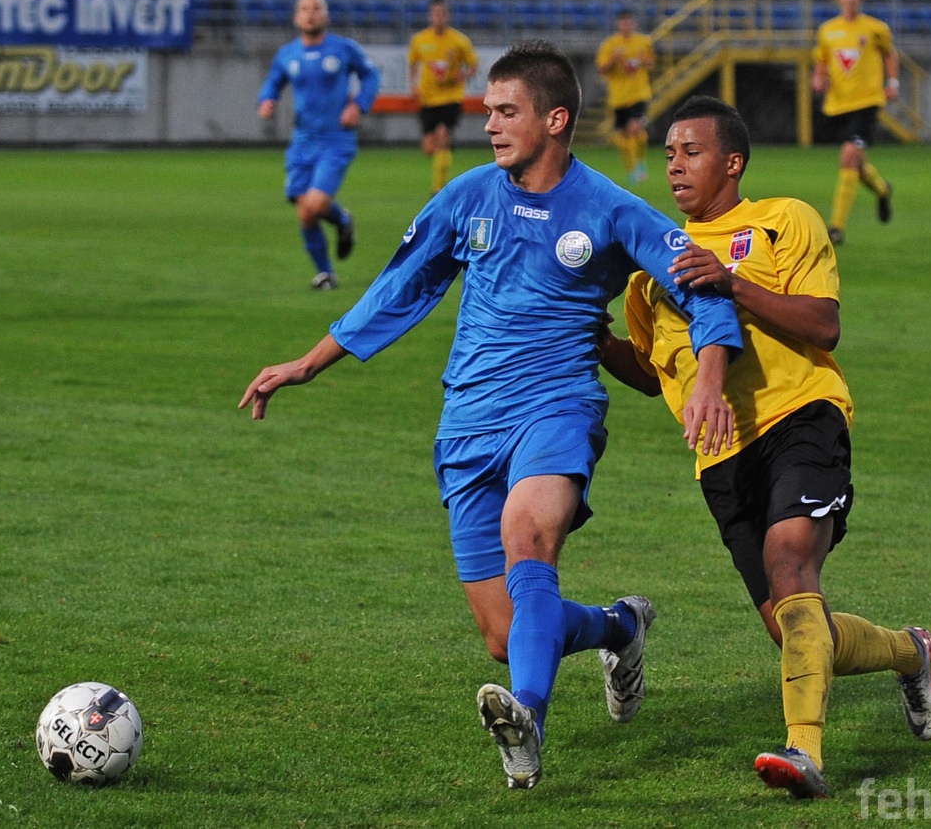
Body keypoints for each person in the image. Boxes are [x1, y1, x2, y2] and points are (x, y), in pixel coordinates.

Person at [241, 41, 744, 790]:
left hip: (557, 406)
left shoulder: (609, 208)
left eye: (507, 111)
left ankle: (528, 722)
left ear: (555, 119)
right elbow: (399, 286)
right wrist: (307, 363)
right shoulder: (468, 195)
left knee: (527, 537)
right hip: (468, 422)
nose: (490, 125)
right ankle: (620, 626)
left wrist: (709, 381)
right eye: (488, 111)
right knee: (505, 637)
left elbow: (704, 288)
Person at [596, 95, 931, 800]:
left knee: (790, 564)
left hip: (801, 416)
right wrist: (596, 341)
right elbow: (654, 373)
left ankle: (803, 752)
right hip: (721, 456)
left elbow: (823, 324)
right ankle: (911, 652)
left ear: (732, 163)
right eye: (668, 153)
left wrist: (731, 282)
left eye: (691, 152)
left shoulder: (784, 219)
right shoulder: (650, 267)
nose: (674, 165)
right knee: (795, 632)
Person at [256, 0, 379, 290]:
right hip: (302, 142)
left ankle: (342, 221)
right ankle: (325, 273)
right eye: (304, 9)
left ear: (326, 16)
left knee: (316, 203)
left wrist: (358, 105)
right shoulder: (287, 54)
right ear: (296, 17)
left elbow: (371, 76)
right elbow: (272, 82)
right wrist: (267, 100)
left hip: (336, 140)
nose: (310, 14)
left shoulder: (343, 48)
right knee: (306, 214)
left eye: (316, 9)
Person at [812, 0, 896, 246]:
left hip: (867, 102)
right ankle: (882, 190)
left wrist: (892, 83)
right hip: (838, 104)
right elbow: (822, 60)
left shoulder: (875, 28)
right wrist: (819, 78)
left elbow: (889, 54)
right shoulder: (828, 30)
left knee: (848, 157)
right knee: (856, 166)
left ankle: (836, 227)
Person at [407, 0, 477, 195]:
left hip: (451, 97)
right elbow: (413, 64)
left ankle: (438, 188)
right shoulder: (420, 40)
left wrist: (461, 75)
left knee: (443, 136)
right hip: (428, 99)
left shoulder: (459, 41)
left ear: (448, 16)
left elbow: (473, 66)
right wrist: (413, 86)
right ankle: (443, 154)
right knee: (429, 147)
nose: (439, 17)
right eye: (435, 13)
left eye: (442, 14)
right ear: (430, 16)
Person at [595, 8, 655, 184]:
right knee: (624, 135)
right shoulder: (610, 45)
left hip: (639, 93)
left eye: (629, 22)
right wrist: (613, 60)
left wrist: (644, 61)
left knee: (636, 127)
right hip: (618, 96)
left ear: (633, 23)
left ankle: (641, 164)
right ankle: (631, 169)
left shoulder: (643, 42)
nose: (626, 25)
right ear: (618, 24)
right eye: (623, 22)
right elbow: (601, 69)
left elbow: (651, 62)